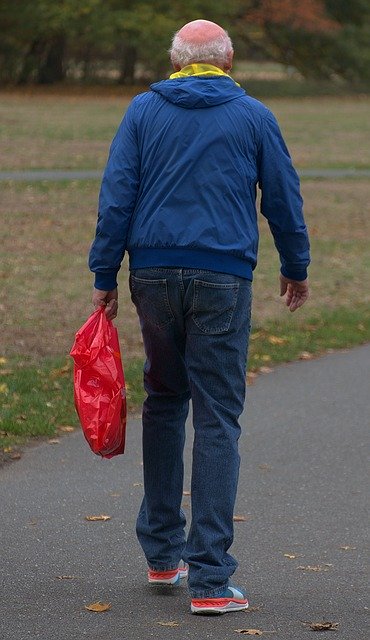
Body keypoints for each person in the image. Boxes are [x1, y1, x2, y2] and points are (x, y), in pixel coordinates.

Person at [89, 19, 310, 615]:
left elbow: (118, 195)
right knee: (217, 415)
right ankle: (211, 580)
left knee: (164, 398)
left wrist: (104, 274)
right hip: (223, 276)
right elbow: (283, 196)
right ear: (229, 60)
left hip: (153, 274)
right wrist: (296, 265)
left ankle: (164, 554)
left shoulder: (143, 110)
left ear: (175, 61)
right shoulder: (254, 116)